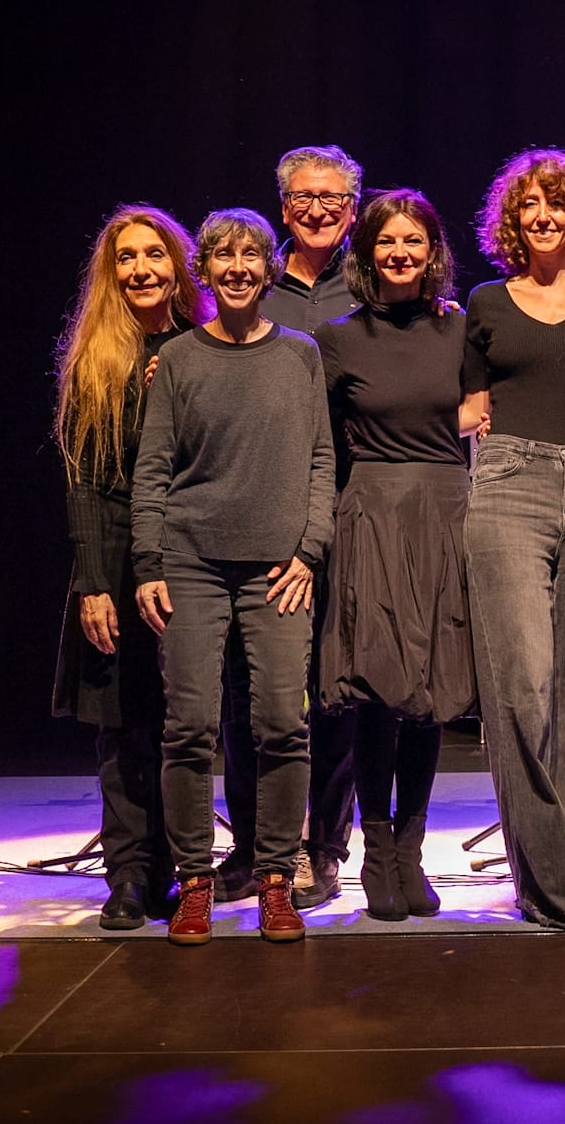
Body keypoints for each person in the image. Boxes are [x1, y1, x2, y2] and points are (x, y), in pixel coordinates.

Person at [132, 207, 336, 944]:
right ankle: (195, 879)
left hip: (278, 569)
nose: (240, 268)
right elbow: (153, 468)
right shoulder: (181, 359)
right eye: (225, 257)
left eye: (253, 255)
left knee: (283, 721)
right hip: (191, 562)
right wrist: (148, 562)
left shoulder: (301, 353)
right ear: (206, 271)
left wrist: (310, 549)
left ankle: (277, 877)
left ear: (267, 266)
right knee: (189, 726)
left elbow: (321, 459)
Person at [460, 148, 565, 931]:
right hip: (509, 484)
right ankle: (560, 880)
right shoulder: (486, 302)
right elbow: (466, 403)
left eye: (556, 201)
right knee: (519, 685)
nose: (543, 213)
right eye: (528, 203)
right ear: (512, 220)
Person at [315, 190, 485, 920]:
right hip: (374, 515)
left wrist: (454, 425)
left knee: (432, 694)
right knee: (380, 692)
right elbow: (317, 441)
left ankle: (412, 847)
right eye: (387, 241)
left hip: (447, 510)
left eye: (413, 241)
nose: (400, 253)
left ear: (433, 251)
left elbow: (486, 406)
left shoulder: (461, 329)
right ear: (367, 252)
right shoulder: (339, 338)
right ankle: (376, 846)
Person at [51, 205, 208, 930]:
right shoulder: (97, 355)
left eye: (154, 254)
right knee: (121, 722)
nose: (141, 268)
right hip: (112, 553)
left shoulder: (203, 347)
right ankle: (128, 877)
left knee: (182, 720)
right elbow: (83, 478)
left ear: (179, 266)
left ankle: (181, 867)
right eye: (126, 258)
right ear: (111, 274)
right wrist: (90, 583)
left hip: (187, 550)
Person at [218, 144, 365, 913]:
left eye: (332, 196)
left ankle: (325, 848)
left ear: (351, 206)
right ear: (284, 207)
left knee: (330, 689)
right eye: (303, 196)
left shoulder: (371, 284)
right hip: (259, 512)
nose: (317, 207)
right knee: (250, 691)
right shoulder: (249, 283)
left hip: (349, 507)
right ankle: (249, 844)